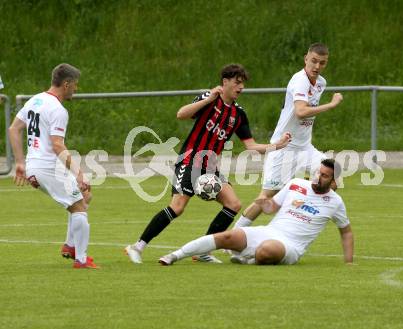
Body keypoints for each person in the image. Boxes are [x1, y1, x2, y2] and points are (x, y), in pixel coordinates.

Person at [125, 64, 291, 264]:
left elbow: (251, 146)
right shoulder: (208, 99)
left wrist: (277, 146)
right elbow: (181, 114)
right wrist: (208, 99)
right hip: (189, 161)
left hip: (210, 168)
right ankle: (138, 246)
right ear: (225, 82)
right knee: (177, 207)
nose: (241, 88)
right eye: (237, 83)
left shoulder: (239, 114)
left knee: (233, 204)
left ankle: (203, 251)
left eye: (243, 84)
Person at [159, 159, 354, 266]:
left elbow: (346, 231)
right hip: (268, 231)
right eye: (318, 172)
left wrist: (348, 262)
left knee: (268, 250)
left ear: (334, 182)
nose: (318, 177)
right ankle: (174, 256)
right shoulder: (297, 184)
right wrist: (263, 204)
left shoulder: (336, 202)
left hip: (290, 246)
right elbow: (272, 208)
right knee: (227, 236)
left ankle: (248, 260)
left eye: (324, 175)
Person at [233, 43, 344, 231]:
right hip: (283, 148)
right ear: (306, 59)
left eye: (322, 63)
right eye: (314, 61)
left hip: (305, 148)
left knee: (333, 178)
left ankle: (301, 214)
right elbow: (301, 112)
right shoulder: (299, 80)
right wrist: (331, 105)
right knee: (265, 198)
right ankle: (234, 235)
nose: (317, 66)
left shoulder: (321, 83)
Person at [8, 63, 98, 269]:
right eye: (75, 85)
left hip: (34, 166)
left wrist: (21, 162)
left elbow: (14, 129)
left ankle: (70, 246)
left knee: (84, 196)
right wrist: (79, 173)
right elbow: (57, 145)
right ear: (66, 84)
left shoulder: (35, 100)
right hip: (46, 167)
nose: (76, 89)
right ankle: (81, 260)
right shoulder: (58, 109)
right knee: (79, 207)